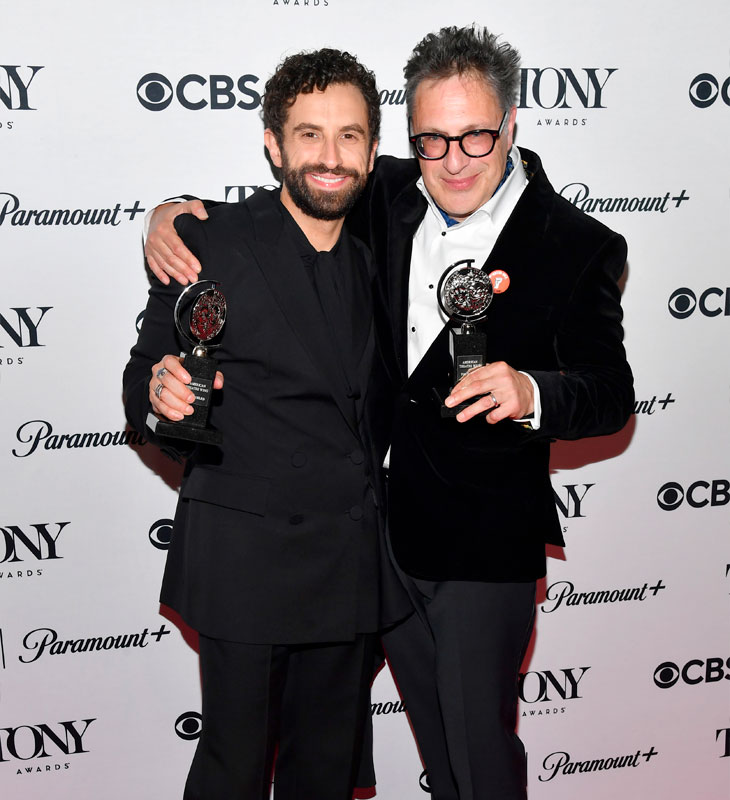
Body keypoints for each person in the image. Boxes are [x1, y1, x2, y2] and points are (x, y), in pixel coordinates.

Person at [145, 25, 634, 800]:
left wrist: (533, 391)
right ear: (406, 142)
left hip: (480, 550)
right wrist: (168, 213)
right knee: (394, 754)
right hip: (373, 550)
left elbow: (611, 392)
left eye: (476, 136)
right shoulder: (388, 193)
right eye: (432, 140)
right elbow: (298, 187)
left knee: (475, 761)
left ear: (511, 123)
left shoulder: (577, 245)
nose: (455, 160)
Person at [124, 48, 410, 800]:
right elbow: (142, 378)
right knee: (234, 770)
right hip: (246, 561)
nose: (330, 156)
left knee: (327, 774)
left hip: (348, 558)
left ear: (372, 151)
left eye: (349, 135)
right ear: (274, 145)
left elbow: (492, 172)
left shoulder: (388, 246)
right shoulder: (213, 241)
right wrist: (161, 397)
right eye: (309, 134)